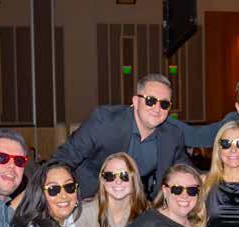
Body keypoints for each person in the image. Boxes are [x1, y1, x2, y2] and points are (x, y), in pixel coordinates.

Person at [52, 73, 190, 199]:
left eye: (164, 104)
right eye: (150, 100)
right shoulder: (104, 122)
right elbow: (64, 157)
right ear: (136, 101)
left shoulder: (172, 136)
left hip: (136, 206)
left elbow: (186, 172)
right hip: (90, 200)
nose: (157, 108)